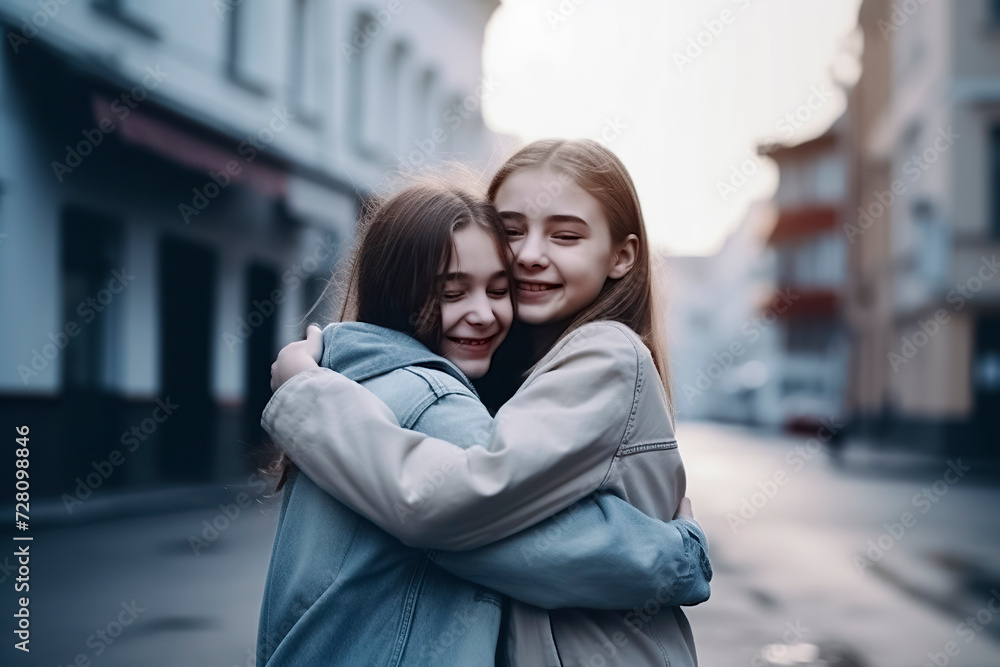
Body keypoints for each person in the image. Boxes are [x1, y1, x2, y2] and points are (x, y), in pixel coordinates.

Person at [258, 173, 711, 666]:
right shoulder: (429, 398)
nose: (484, 314)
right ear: (396, 292)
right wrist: (682, 553)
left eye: (499, 291)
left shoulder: (353, 375)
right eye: (452, 292)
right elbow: (545, 545)